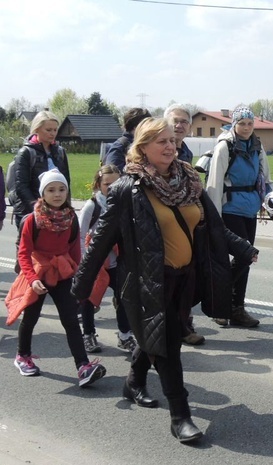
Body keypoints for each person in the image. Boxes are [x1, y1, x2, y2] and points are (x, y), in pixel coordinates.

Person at [72, 118, 259, 443]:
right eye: (162, 141)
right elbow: (100, 240)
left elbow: (213, 225)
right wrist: (80, 288)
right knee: (170, 344)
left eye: (172, 140)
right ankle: (180, 415)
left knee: (156, 338)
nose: (171, 146)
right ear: (142, 148)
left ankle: (133, 381)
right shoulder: (126, 189)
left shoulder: (188, 181)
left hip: (184, 281)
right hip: (145, 284)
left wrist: (243, 248)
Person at [5, 169, 106, 387]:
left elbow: (74, 252)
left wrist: (80, 276)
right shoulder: (31, 221)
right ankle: (22, 356)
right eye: (51, 190)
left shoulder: (71, 219)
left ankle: (83, 366)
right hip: (38, 274)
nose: (57, 194)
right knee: (30, 317)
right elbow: (24, 253)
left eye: (62, 189)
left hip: (62, 274)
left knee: (70, 320)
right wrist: (32, 279)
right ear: (43, 194)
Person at [205, 105, 273, 329]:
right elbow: (214, 184)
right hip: (230, 210)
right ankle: (220, 303)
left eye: (250, 124)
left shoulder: (257, 146)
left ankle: (234, 307)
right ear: (234, 124)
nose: (246, 128)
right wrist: (214, 218)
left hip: (250, 210)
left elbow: (266, 178)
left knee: (246, 261)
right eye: (242, 123)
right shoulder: (225, 147)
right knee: (245, 257)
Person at [77, 164, 137, 356]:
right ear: (98, 184)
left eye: (116, 183)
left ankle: (125, 335)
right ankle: (88, 334)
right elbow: (80, 234)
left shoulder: (125, 203)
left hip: (117, 261)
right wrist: (84, 261)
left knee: (123, 296)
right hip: (96, 261)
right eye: (106, 184)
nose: (111, 188)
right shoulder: (92, 206)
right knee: (89, 297)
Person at [163, 104, 205, 346]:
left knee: (186, 276)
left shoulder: (187, 153)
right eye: (175, 120)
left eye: (184, 122)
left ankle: (183, 324)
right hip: (162, 221)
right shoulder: (156, 152)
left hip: (184, 221)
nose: (179, 125)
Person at [9, 111, 70, 228]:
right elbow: (21, 186)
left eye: (55, 130)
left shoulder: (60, 152)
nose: (52, 133)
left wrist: (66, 207)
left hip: (56, 211)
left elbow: (66, 182)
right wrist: (38, 209)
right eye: (48, 130)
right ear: (36, 129)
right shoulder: (26, 152)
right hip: (29, 212)